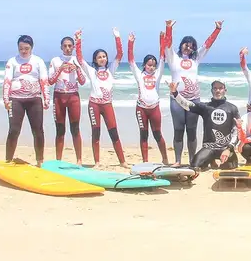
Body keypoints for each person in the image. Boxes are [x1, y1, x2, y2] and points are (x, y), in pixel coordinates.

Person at [164, 19, 223, 166]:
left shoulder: (196, 59)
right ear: (181, 45)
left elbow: (207, 45)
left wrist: (217, 29)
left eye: (191, 46)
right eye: (186, 45)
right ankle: (177, 160)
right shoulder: (173, 58)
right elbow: (168, 44)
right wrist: (168, 28)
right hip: (176, 99)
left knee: (191, 130)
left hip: (193, 100)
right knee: (178, 130)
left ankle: (191, 160)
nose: (188, 48)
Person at [75, 28, 127, 167]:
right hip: (94, 105)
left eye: (104, 56)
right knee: (96, 133)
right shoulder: (91, 71)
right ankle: (97, 162)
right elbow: (79, 59)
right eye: (99, 57)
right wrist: (78, 40)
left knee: (113, 132)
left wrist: (117, 37)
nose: (102, 59)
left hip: (107, 105)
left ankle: (122, 162)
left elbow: (120, 54)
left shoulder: (111, 70)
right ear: (95, 60)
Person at [170, 80, 240, 171]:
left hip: (225, 148)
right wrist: (175, 93)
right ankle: (210, 160)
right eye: (215, 88)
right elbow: (187, 105)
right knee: (195, 165)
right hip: (209, 147)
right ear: (212, 91)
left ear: (225, 90)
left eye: (220, 88)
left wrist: (229, 148)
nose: (218, 91)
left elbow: (236, 131)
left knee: (231, 167)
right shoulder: (205, 107)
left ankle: (215, 160)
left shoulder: (232, 108)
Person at [3, 35, 49, 165]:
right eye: (21, 48)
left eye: (26, 48)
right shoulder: (12, 61)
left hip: (34, 100)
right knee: (14, 130)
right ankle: (8, 160)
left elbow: (44, 80)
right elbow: (7, 80)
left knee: (38, 130)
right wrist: (6, 99)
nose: (24, 51)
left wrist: (46, 98)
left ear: (31, 48)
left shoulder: (38, 61)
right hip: (16, 100)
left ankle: (40, 161)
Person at [129, 30, 169, 164]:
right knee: (144, 134)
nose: (151, 68)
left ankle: (165, 159)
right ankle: (145, 161)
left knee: (158, 134)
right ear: (144, 65)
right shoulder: (139, 75)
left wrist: (161, 39)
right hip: (141, 109)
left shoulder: (158, 75)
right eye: (149, 65)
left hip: (154, 109)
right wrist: (131, 42)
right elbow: (131, 60)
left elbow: (163, 56)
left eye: (153, 65)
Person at [47, 36, 87, 165]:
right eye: (65, 46)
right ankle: (58, 160)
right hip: (59, 96)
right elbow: (50, 81)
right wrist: (60, 68)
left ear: (74, 47)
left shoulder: (78, 60)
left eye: (70, 46)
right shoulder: (55, 60)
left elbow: (82, 82)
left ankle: (79, 160)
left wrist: (78, 69)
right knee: (60, 129)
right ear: (61, 47)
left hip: (73, 97)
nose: (67, 48)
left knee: (75, 128)